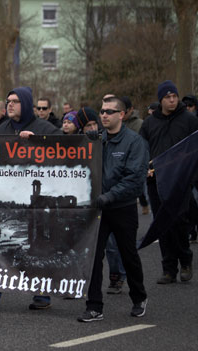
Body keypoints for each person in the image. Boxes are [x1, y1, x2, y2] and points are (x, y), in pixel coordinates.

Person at [0, 87, 59, 312]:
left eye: (15, 101)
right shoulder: (2, 129)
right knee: (7, 246)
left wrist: (39, 143)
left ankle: (42, 293)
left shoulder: (45, 129)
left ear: (26, 104)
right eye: (8, 101)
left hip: (37, 200)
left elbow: (64, 152)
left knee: (34, 246)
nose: (10, 104)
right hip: (8, 197)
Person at [78, 96, 149, 322]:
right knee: (94, 258)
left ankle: (139, 297)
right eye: (102, 111)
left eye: (110, 111)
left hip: (122, 208)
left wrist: (108, 197)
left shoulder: (135, 143)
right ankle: (94, 306)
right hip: (100, 210)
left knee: (128, 255)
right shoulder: (95, 139)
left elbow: (134, 180)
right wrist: (32, 139)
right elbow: (64, 147)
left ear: (122, 115)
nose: (104, 115)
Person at [139, 80, 198, 284]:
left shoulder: (189, 120)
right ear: (160, 99)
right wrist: (144, 168)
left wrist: (192, 177)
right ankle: (168, 268)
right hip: (156, 181)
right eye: (167, 97)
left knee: (180, 222)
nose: (172, 100)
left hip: (180, 180)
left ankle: (186, 260)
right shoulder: (149, 123)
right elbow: (141, 150)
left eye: (174, 97)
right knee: (162, 224)